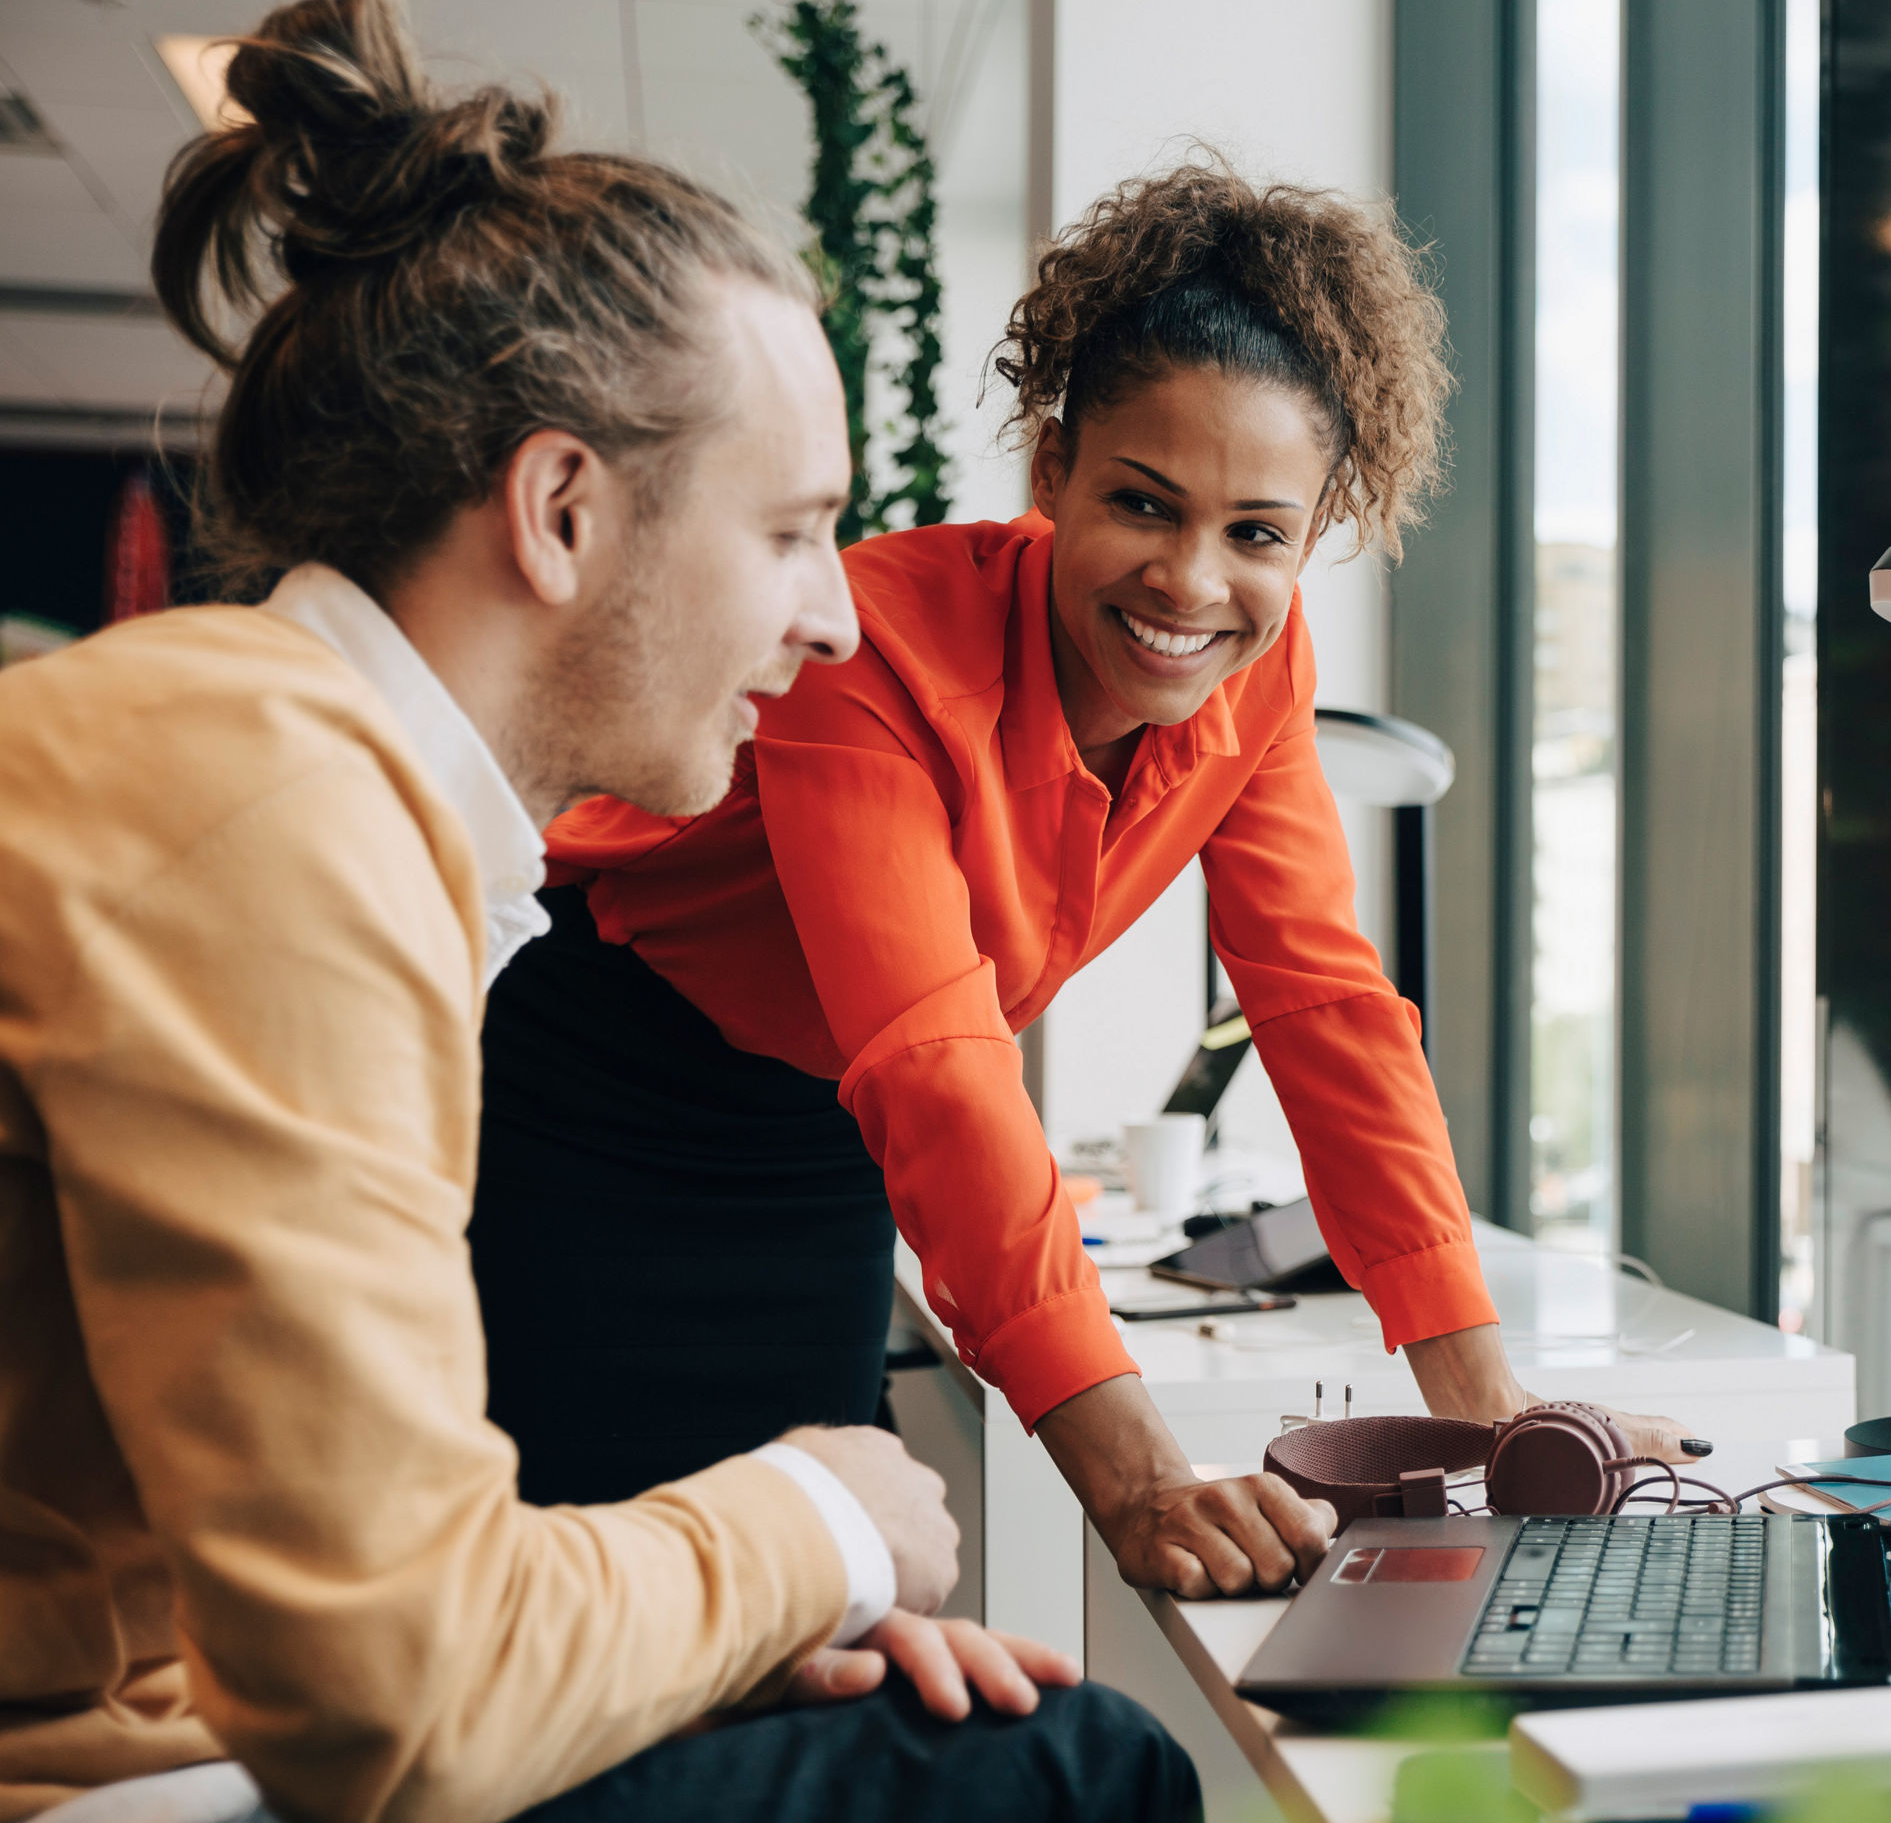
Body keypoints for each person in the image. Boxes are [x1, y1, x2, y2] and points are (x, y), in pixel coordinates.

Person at [0, 0, 1195, 1823]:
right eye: (794, 532)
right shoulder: (267, 813)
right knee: (1073, 1776)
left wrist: (714, 1629)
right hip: (116, 1790)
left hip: (188, 1730)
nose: (828, 614)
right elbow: (398, 1703)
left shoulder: (306, 777)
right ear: (563, 512)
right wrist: (816, 1517)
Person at [472, 162, 1703, 1600]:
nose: (1192, 583)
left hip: (819, 1131)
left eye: (1258, 534)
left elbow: (1322, 1004)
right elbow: (934, 1056)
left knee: (811, 1601)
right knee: (589, 1586)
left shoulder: (1263, 671)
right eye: (1142, 503)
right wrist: (1137, 1475)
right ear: (1051, 470)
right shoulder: (867, 648)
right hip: (592, 1082)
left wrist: (1490, 1404)